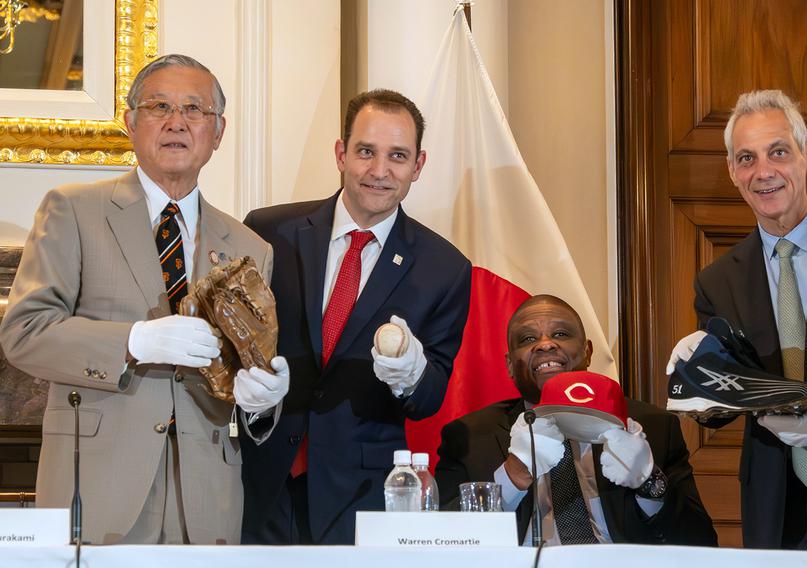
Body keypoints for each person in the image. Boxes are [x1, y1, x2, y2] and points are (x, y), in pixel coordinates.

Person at [0, 54, 288, 545]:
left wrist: (262, 401)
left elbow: (244, 367)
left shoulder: (248, 247)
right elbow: (24, 333)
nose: (177, 121)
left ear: (217, 133)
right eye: (159, 106)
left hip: (205, 502)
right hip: (95, 489)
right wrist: (133, 341)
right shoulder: (72, 210)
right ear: (131, 123)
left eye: (194, 109)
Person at [666, 89, 807, 565]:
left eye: (778, 152)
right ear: (732, 172)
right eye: (746, 158)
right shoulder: (718, 280)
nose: (763, 172)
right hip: (779, 503)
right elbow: (723, 404)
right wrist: (696, 383)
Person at [241, 89, 472, 545]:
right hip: (258, 480)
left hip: (362, 498)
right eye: (366, 151)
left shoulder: (445, 267)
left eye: (398, 156)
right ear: (341, 153)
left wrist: (410, 373)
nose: (379, 171)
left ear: (418, 166)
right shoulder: (268, 231)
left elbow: (428, 398)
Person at [435, 294, 717, 546]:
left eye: (560, 333)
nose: (545, 344)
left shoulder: (652, 425)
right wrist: (512, 477)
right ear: (510, 364)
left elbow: (700, 542)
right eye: (528, 339)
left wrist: (649, 482)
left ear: (587, 352)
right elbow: (439, 543)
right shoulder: (469, 436)